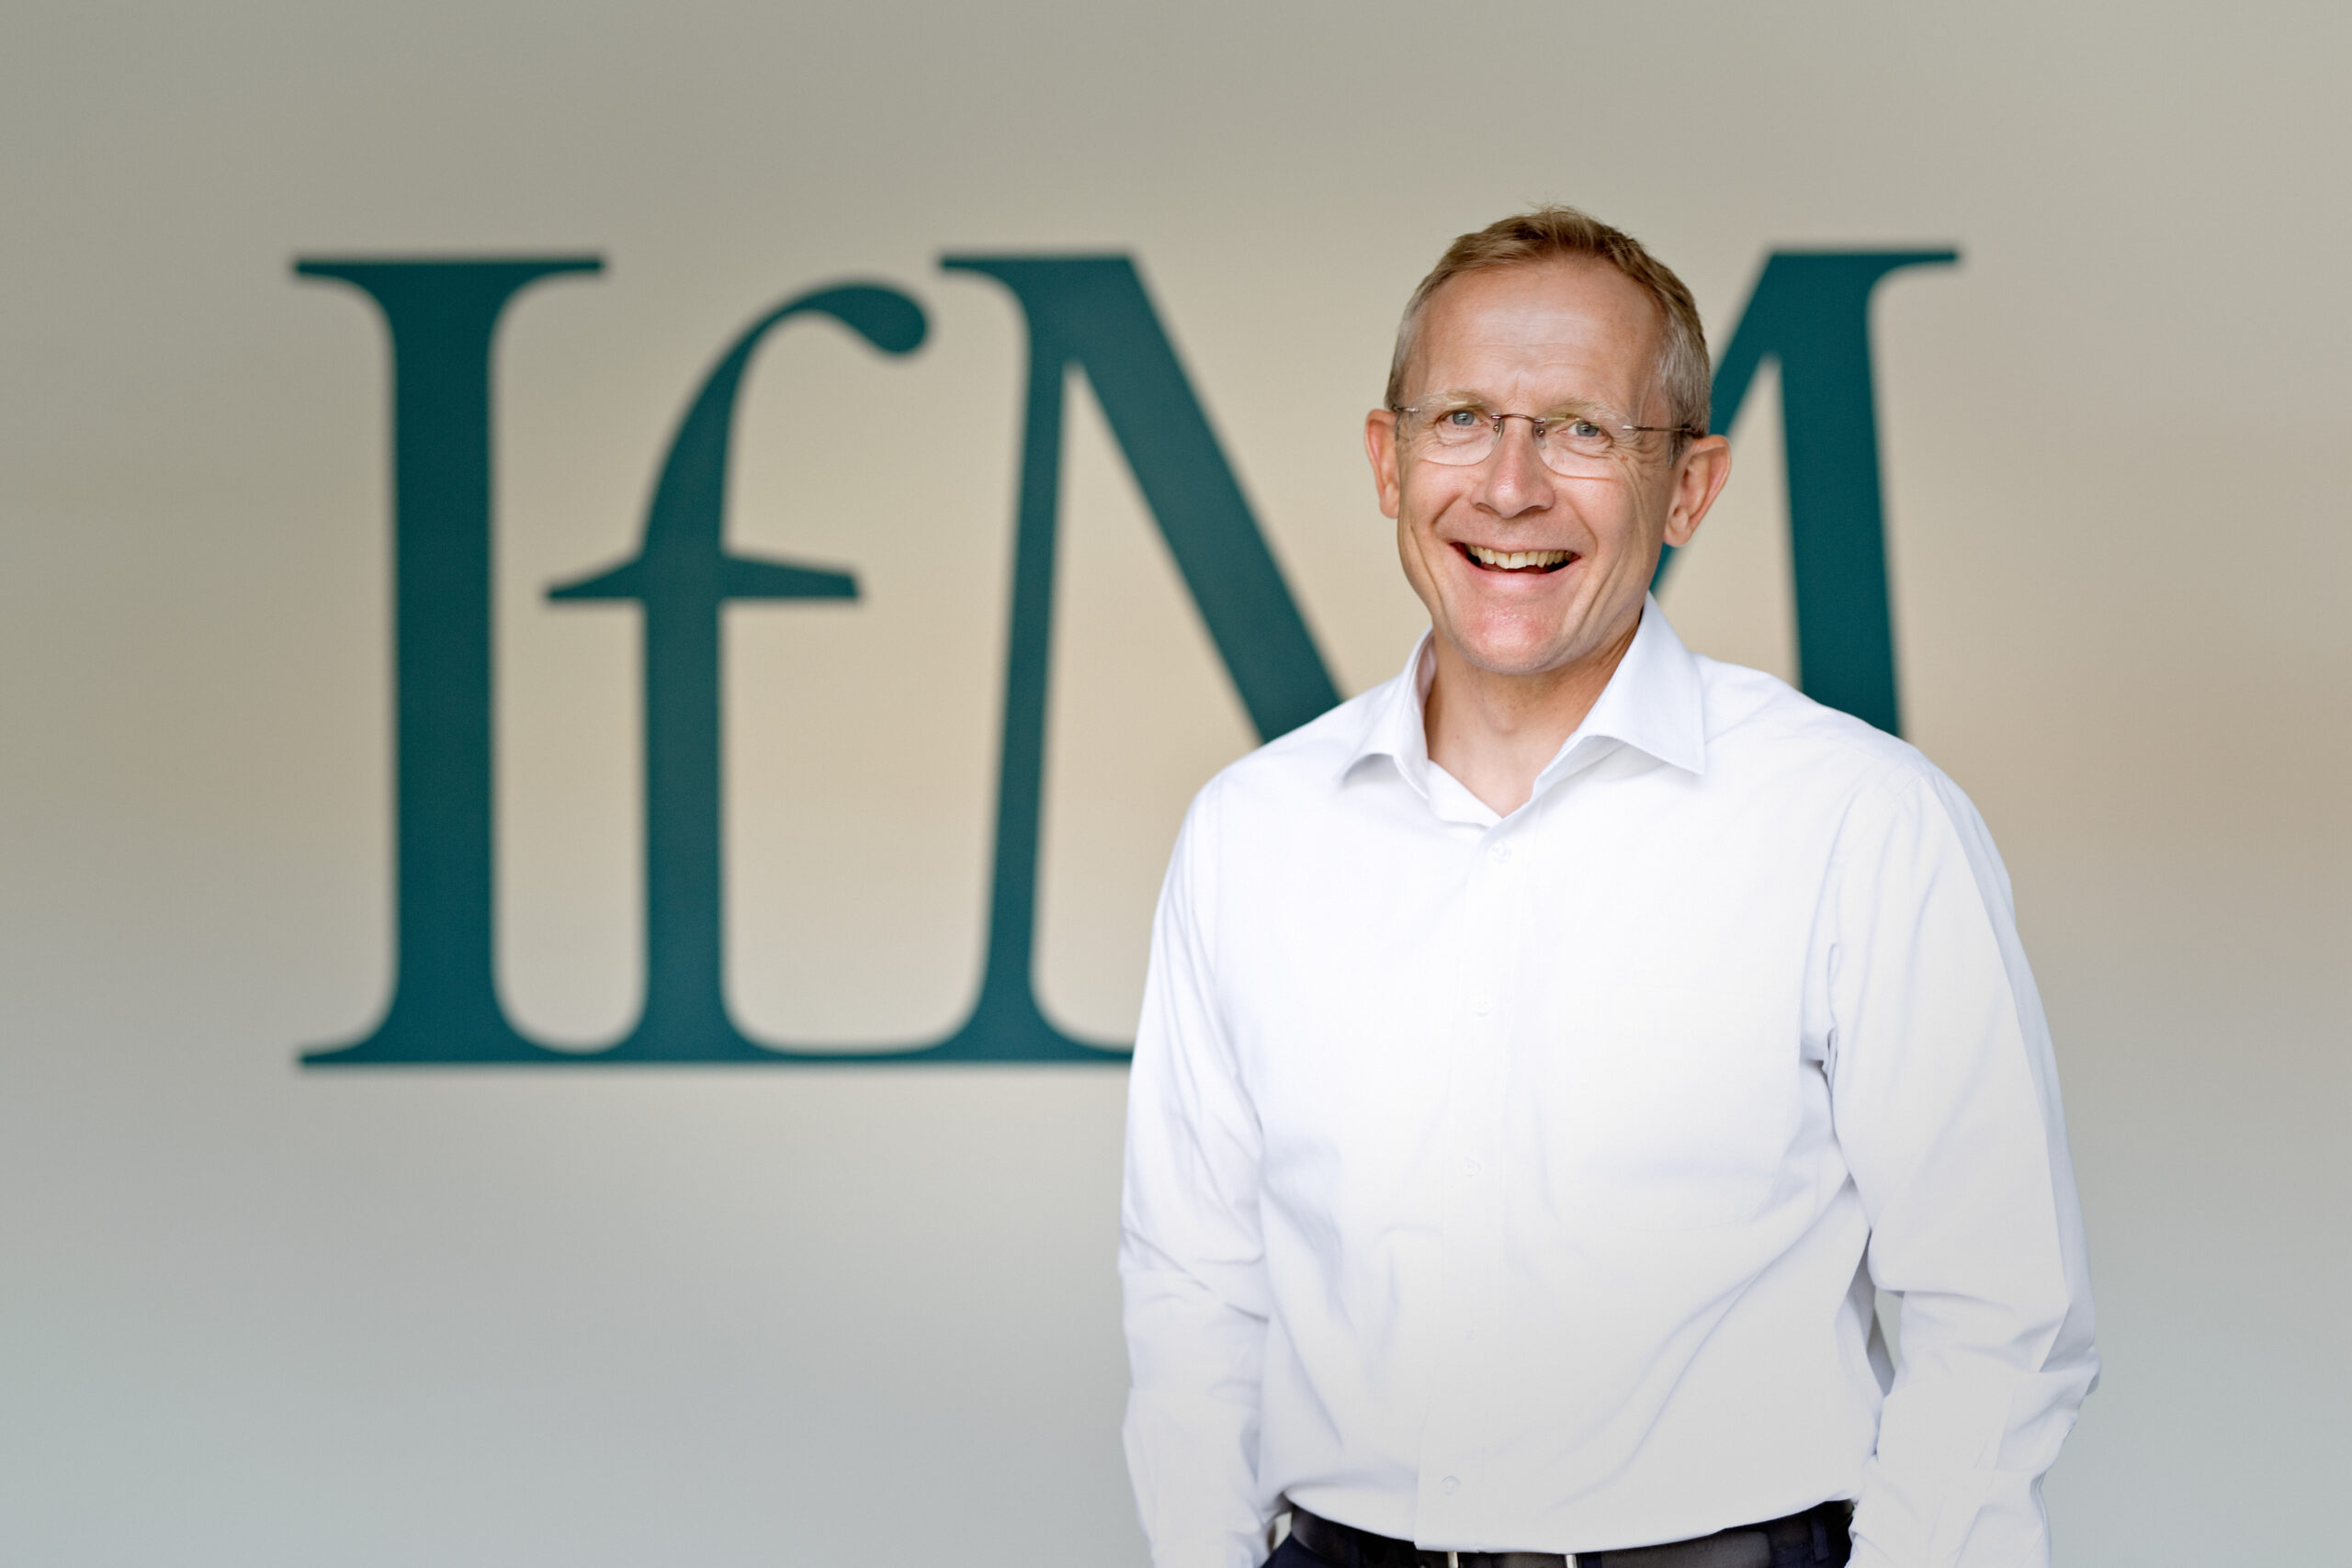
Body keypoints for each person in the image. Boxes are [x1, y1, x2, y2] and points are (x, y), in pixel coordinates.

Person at [1118, 207, 2098, 1568]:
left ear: (1690, 487)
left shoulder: (1860, 823)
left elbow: (1998, 1316)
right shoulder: (1251, 834)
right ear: (1388, 459)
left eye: (1583, 429)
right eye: (1463, 419)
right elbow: (1194, 1299)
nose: (1509, 487)